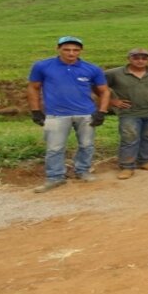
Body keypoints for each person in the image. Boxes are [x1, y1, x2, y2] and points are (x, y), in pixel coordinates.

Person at [27, 36, 110, 193]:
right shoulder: (42, 66)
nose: (71, 53)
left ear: (81, 51)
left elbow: (104, 91)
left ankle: (83, 171)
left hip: (86, 113)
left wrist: (102, 111)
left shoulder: (91, 68)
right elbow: (33, 87)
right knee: (55, 148)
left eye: (75, 50)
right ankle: (55, 177)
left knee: (86, 145)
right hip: (56, 114)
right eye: (67, 49)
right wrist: (36, 110)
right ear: (58, 49)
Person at [105, 48, 148, 180]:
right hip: (129, 112)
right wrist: (113, 100)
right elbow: (99, 86)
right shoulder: (114, 73)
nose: (140, 61)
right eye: (136, 58)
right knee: (129, 139)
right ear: (129, 59)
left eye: (144, 58)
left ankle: (145, 161)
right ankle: (127, 166)